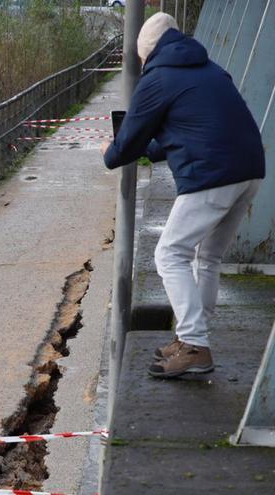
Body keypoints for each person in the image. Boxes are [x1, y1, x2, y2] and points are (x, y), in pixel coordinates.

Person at [101, 13, 266, 378]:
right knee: (207, 257)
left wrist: (108, 152)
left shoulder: (157, 77)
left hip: (211, 175)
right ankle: (192, 338)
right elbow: (193, 128)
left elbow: (125, 145)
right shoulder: (210, 68)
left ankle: (194, 344)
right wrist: (153, 151)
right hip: (250, 170)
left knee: (169, 254)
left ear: (147, 54)